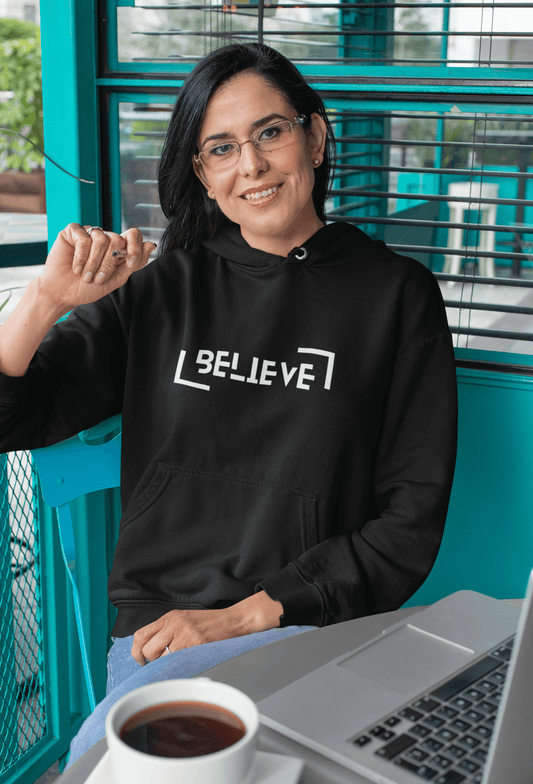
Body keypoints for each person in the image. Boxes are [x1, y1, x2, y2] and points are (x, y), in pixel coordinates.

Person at [0, 42, 457, 762]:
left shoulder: (394, 296)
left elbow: (407, 526)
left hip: (313, 620)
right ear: (201, 174)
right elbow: (11, 416)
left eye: (270, 132)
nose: (251, 165)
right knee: (113, 768)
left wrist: (247, 615)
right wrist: (45, 300)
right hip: (165, 625)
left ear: (314, 135)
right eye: (221, 148)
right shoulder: (160, 288)